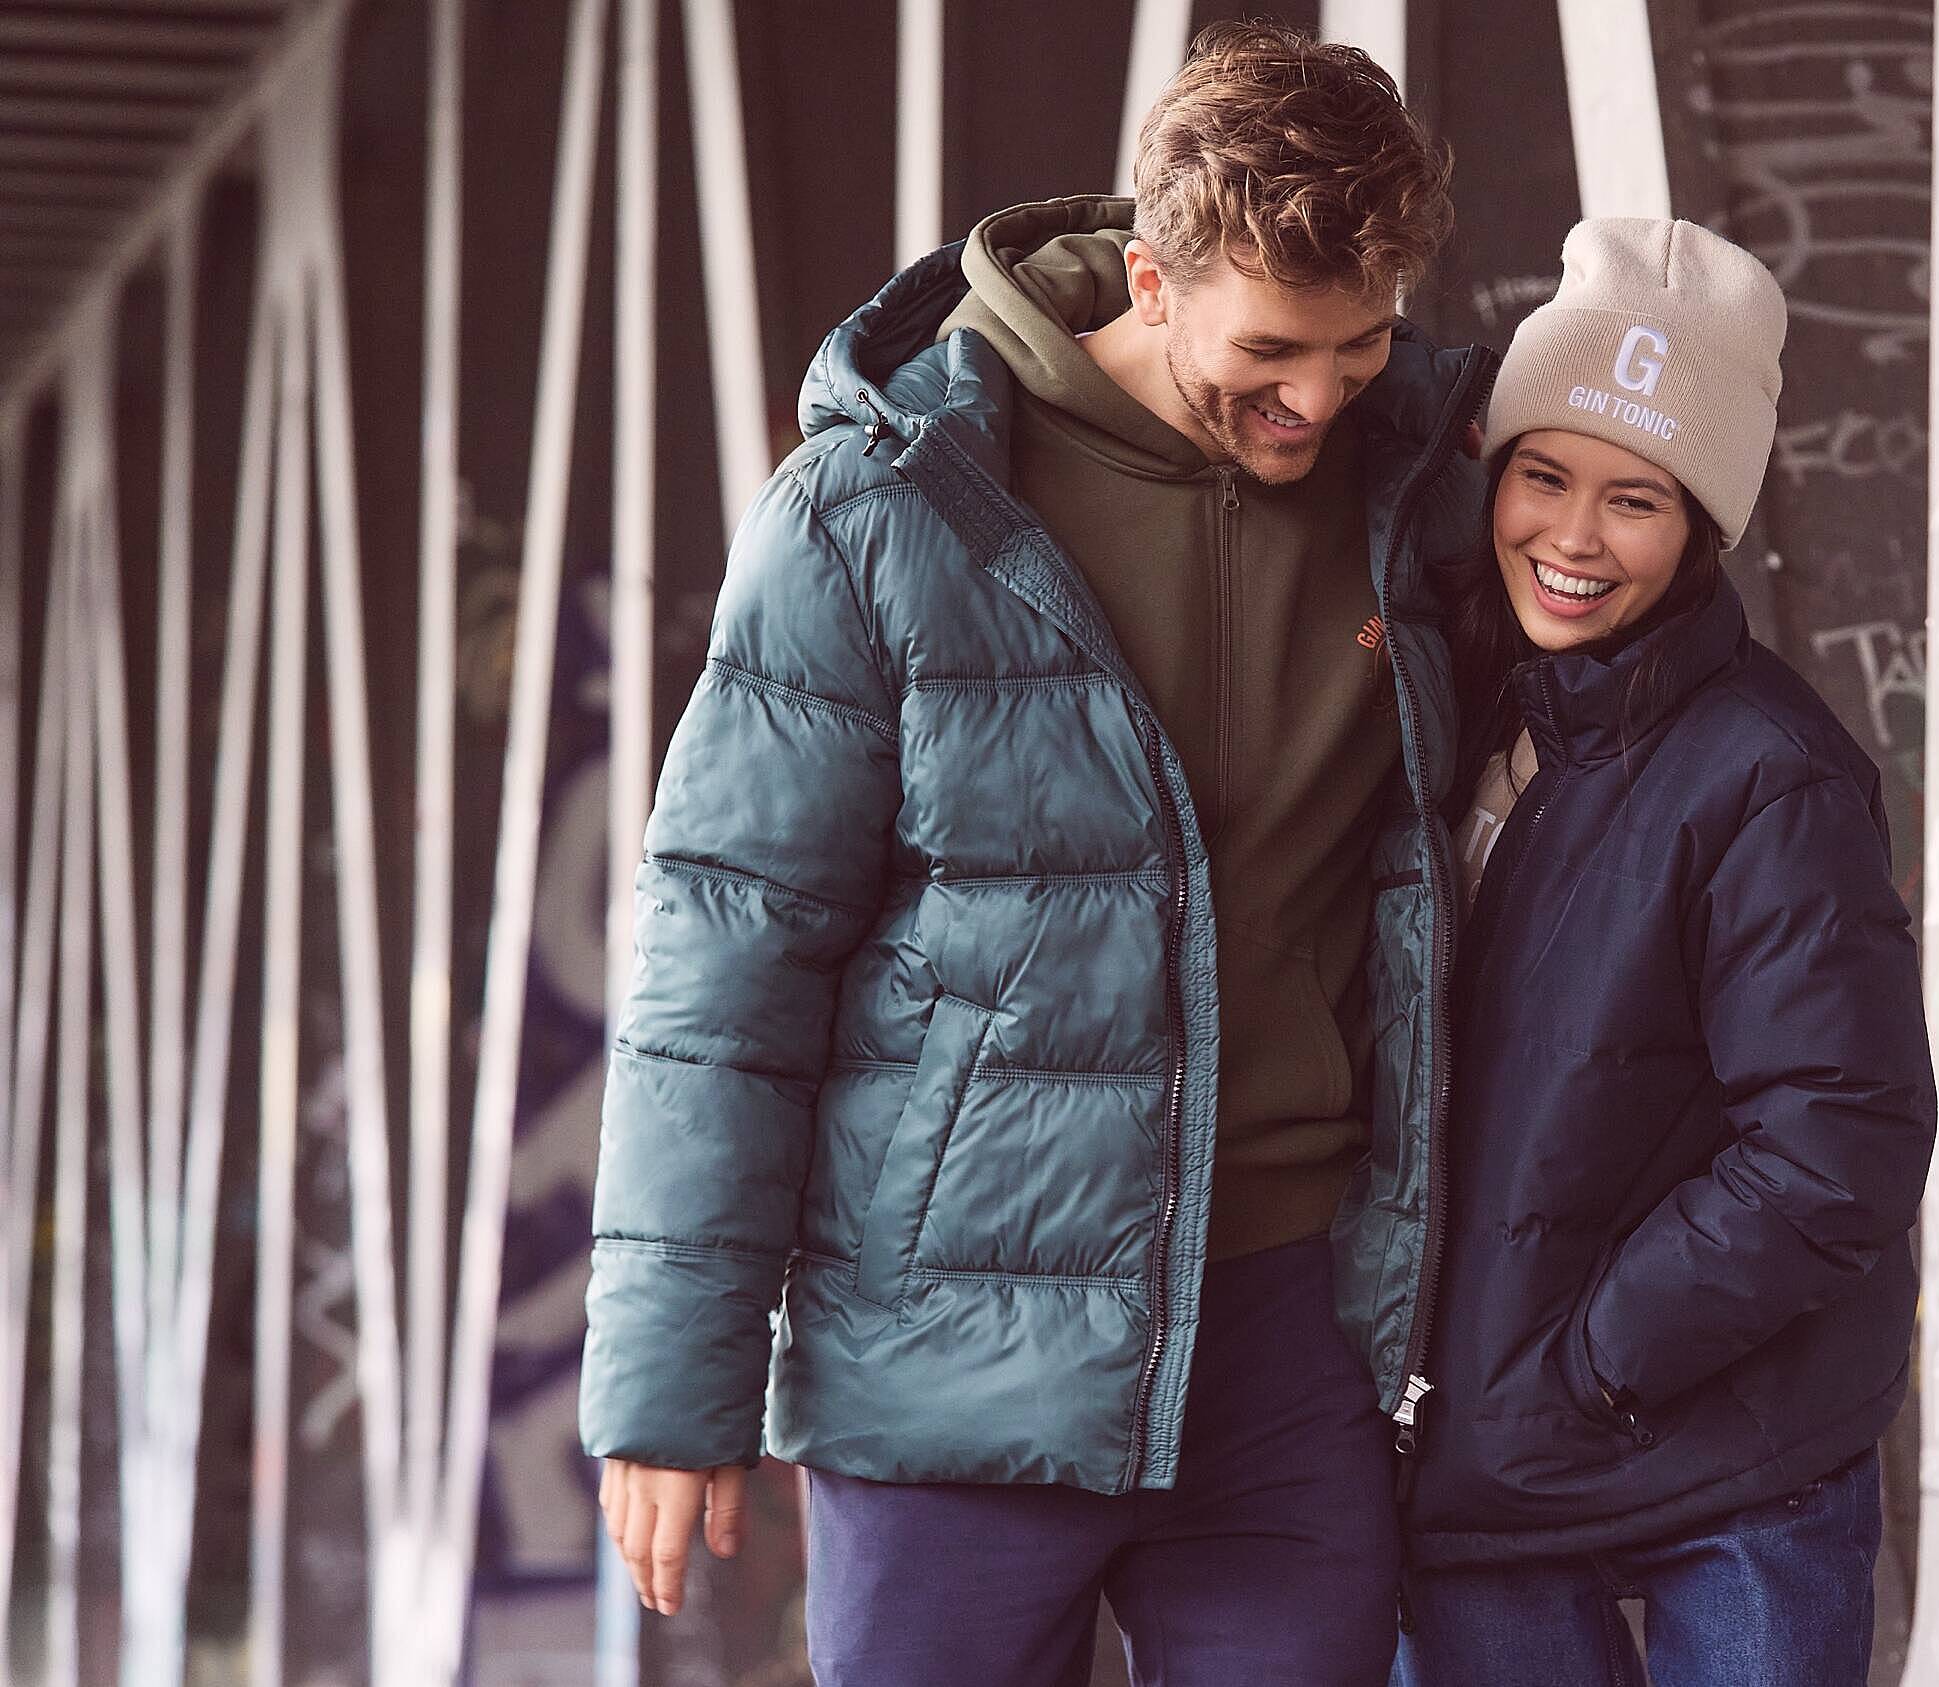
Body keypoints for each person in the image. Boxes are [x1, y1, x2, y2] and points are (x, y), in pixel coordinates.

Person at [579, 23, 1494, 1685]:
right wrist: (666, 1387)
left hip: (1288, 1343)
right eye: (1271, 349)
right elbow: (727, 955)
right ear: (1150, 279)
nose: (1314, 399)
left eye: (1360, 345)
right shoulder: (882, 509)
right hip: (952, 1344)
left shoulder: (1410, 483)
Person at [1391, 218, 1937, 1687]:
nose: (1572, 539)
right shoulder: (1452, 724)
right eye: (1543, 476)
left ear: (1703, 527)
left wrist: (1596, 1360)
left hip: (1733, 1459)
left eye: (1634, 499)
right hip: (1488, 1465)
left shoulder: (1768, 774)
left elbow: (1838, 1143)